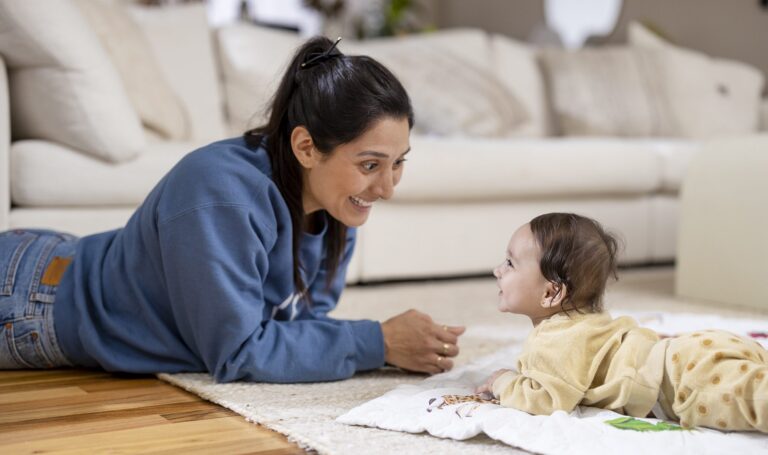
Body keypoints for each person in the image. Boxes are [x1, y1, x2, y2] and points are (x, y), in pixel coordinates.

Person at [0, 37, 465, 383]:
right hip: (30, 298)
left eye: (398, 163)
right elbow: (238, 352)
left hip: (60, 261)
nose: (386, 188)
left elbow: (297, 326)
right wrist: (378, 341)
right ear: (305, 146)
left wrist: (381, 343)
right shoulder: (219, 193)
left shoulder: (336, 204)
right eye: (370, 164)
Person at [476, 213, 768, 432]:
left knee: (758, 401)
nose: (497, 271)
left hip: (684, 380)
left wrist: (504, 382)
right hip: (694, 353)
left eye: (510, 263)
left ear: (552, 292)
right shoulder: (585, 322)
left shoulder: (554, 337)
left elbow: (548, 400)